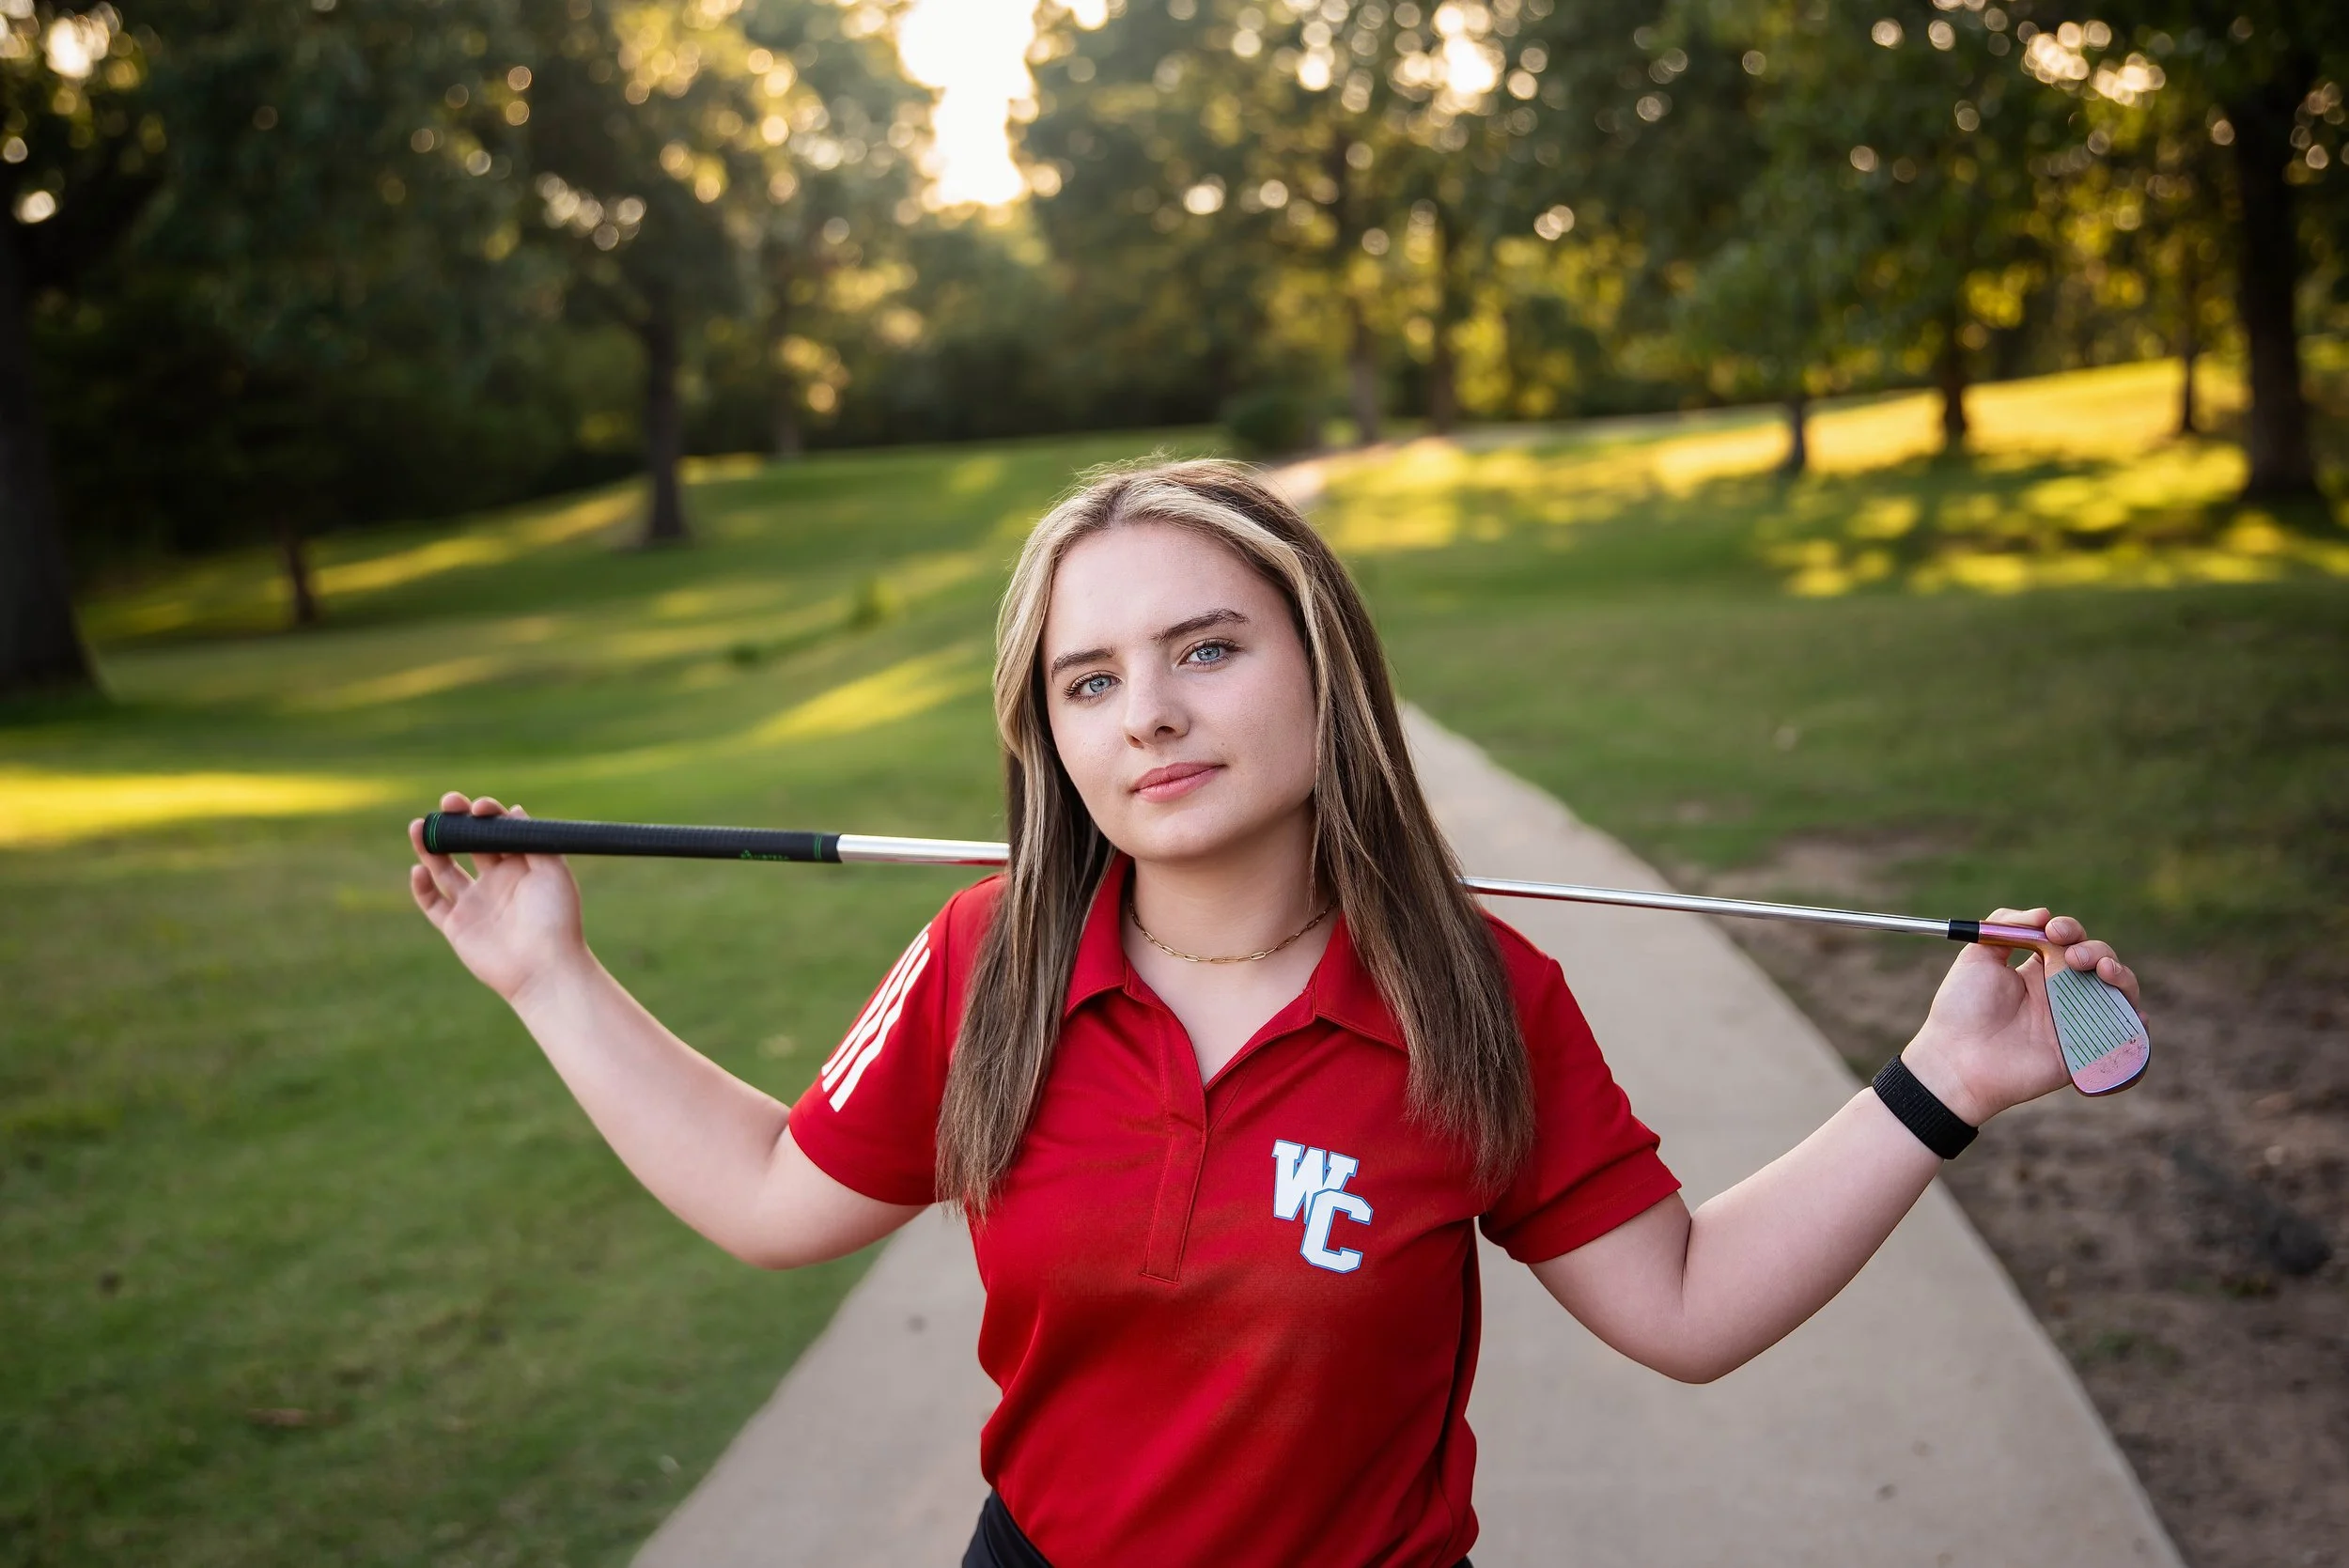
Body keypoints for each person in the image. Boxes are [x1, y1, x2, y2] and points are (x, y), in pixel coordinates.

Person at [407, 458, 2142, 1568]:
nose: (1147, 713)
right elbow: (779, 1194)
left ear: (1327, 667)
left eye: (1207, 649)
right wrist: (548, 972)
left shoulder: (1478, 998)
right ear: (1052, 740)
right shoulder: (987, 960)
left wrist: (1942, 1082)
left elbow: (1680, 1304)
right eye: (1091, 681)